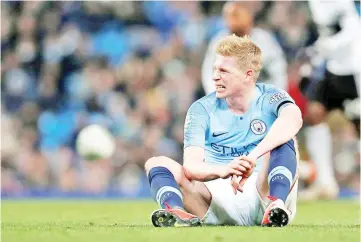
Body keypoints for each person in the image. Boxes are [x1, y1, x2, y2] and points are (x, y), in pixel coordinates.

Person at [144, 35, 303, 227]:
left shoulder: (271, 97)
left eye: (224, 71)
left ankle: (276, 206)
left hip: (262, 191)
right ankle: (176, 213)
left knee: (286, 139)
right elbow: (192, 166)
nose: (215, 76)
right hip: (214, 200)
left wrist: (252, 158)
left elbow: (293, 119)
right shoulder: (201, 109)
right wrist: (224, 170)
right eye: (215, 69)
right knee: (156, 162)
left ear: (248, 75)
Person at [299, 0, 360, 200]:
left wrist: (328, 46)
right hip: (330, 68)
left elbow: (354, 30)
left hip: (352, 67)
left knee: (358, 124)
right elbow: (322, 35)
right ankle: (325, 182)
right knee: (315, 114)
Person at [202, 2, 288, 94]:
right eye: (233, 17)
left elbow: (278, 71)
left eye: (240, 16)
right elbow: (209, 75)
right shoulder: (219, 41)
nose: (237, 21)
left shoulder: (263, 39)